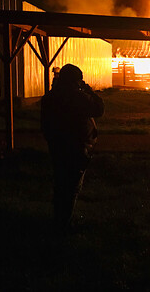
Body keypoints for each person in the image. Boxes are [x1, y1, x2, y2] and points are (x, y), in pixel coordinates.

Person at [40, 64, 104, 231]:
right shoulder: (77, 97)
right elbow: (99, 108)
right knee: (72, 186)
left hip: (57, 146)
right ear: (76, 81)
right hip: (77, 148)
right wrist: (89, 90)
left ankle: (58, 218)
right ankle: (64, 223)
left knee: (61, 183)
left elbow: (45, 125)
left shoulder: (50, 97)